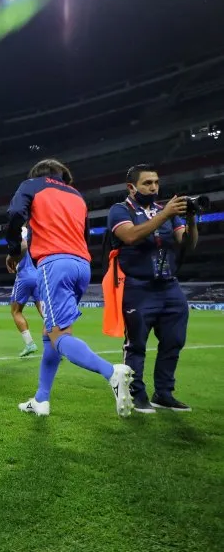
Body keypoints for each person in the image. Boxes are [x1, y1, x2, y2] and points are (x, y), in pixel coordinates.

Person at [6, 158, 133, 418]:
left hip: (55, 263)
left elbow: (15, 214)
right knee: (49, 333)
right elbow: (85, 233)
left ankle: (112, 373)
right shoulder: (77, 195)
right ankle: (41, 399)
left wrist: (12, 250)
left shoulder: (32, 185)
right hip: (81, 264)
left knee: (59, 336)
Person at [105, 164, 198, 412]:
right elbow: (131, 236)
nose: (154, 187)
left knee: (174, 340)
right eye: (147, 183)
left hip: (169, 286)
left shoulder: (167, 212)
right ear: (131, 187)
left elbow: (187, 245)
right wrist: (165, 215)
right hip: (138, 287)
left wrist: (190, 219)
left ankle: (164, 393)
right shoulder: (120, 210)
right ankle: (136, 394)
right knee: (136, 344)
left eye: (156, 182)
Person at [8, 226, 43, 357]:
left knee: (15, 311)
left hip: (24, 276)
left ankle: (30, 344)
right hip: (36, 274)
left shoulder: (16, 233)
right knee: (45, 313)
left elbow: (22, 245)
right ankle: (56, 345)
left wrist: (8, 259)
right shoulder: (30, 233)